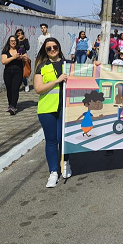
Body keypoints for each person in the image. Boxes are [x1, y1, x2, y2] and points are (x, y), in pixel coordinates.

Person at [33, 37, 73, 187]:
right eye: (48, 48)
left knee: (63, 138)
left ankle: (66, 163)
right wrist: (57, 81)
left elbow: (86, 74)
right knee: (51, 141)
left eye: (54, 46)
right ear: (45, 50)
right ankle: (53, 172)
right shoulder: (41, 67)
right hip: (47, 108)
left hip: (66, 107)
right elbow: (38, 89)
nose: (52, 50)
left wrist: (96, 66)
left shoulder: (68, 64)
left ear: (59, 47)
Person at [1, 35, 28, 115]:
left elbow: (26, 58)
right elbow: (3, 61)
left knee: (15, 89)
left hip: (18, 72)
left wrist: (22, 57)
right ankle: (10, 104)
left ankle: (13, 106)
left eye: (14, 41)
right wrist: (14, 57)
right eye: (11, 41)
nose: (13, 42)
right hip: (8, 72)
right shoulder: (6, 50)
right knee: (9, 89)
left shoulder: (21, 49)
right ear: (9, 42)